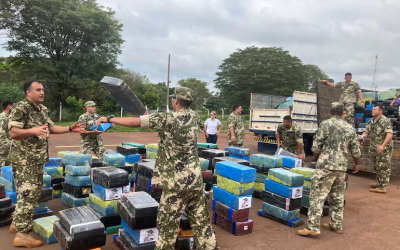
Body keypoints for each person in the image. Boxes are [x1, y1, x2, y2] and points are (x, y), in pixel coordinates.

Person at [96, 87, 218, 250]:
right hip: (195, 182)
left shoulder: (167, 119)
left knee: (167, 233)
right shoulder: (196, 117)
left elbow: (135, 123)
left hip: (175, 185)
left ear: (175, 100)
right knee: (203, 228)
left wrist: (109, 119)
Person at [7, 80, 83, 248]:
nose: (42, 92)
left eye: (43, 89)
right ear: (28, 92)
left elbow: (51, 128)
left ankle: (16, 223)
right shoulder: (20, 108)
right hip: (24, 160)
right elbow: (14, 132)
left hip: (36, 160)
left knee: (25, 193)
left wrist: (70, 128)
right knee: (29, 194)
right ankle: (22, 235)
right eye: (38, 90)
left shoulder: (42, 109)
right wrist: (33, 130)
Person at [298, 102, 361, 237]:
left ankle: (313, 227)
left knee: (317, 196)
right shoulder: (350, 128)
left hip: (326, 166)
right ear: (343, 111)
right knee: (337, 197)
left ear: (330, 111)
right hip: (341, 167)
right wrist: (356, 164)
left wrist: (315, 158)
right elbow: (356, 151)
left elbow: (316, 147)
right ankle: (336, 225)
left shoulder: (325, 124)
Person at [359, 105, 393, 194]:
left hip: (384, 148)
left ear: (380, 111)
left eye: (375, 109)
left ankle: (382, 187)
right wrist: (361, 139)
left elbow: (389, 135)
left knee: (383, 167)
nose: (372, 111)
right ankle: (379, 183)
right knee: (377, 166)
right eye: (372, 109)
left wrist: (382, 146)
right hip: (374, 148)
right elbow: (366, 132)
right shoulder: (371, 121)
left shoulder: (385, 121)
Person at [0, 100, 14, 166]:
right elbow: (2, 134)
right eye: (14, 106)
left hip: (9, 149)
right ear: (9, 106)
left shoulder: (9, 118)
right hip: (3, 150)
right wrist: (9, 145)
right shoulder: (2, 117)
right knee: (3, 167)